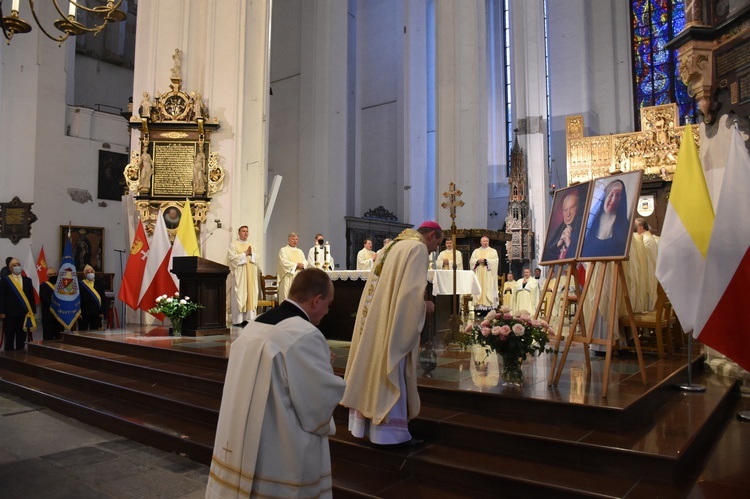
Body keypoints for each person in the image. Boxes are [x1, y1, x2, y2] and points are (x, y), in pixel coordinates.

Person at [206, 268, 344, 498]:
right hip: (278, 446)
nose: (327, 311)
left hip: (241, 435)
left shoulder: (255, 325)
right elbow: (316, 403)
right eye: (328, 304)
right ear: (316, 300)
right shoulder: (306, 334)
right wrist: (327, 368)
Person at [342, 221, 443, 447]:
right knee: (392, 370)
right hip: (394, 323)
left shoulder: (392, 246)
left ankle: (368, 428)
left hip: (378, 320)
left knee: (374, 369)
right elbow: (408, 295)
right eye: (437, 242)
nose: (435, 249)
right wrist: (423, 306)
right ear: (431, 235)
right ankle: (391, 435)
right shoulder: (417, 249)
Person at [580, 179, 630, 258]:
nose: (613, 200)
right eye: (611, 194)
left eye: (618, 195)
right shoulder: (591, 220)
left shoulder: (623, 224)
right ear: (605, 195)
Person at [0, 258, 36, 351]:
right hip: (9, 314)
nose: (17, 267)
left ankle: (20, 357)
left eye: (18, 264)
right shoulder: (5, 281)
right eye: (14, 265)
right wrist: (2, 312)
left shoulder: (27, 280)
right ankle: (9, 358)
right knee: (9, 337)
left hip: (24, 314)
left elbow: (31, 297)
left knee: (21, 337)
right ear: (10, 268)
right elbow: (2, 297)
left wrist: (33, 311)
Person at [227, 226, 259, 327]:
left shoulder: (252, 245)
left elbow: (257, 258)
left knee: (250, 294)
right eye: (243, 231)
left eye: (247, 231)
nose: (245, 233)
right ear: (239, 233)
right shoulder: (233, 245)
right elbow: (231, 258)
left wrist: (252, 255)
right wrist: (245, 254)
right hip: (240, 275)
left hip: (250, 275)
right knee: (239, 294)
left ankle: (248, 319)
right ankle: (238, 319)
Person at [542, 190, 582, 262]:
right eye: (565, 210)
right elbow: (548, 255)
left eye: (572, 208)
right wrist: (558, 244)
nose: (568, 214)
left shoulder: (582, 230)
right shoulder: (560, 229)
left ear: (578, 208)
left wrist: (569, 243)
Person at [469, 236, 499, 316]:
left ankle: (488, 309)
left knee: (488, 288)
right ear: (481, 242)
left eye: (487, 241)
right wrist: (477, 261)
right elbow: (471, 261)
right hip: (478, 274)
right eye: (484, 241)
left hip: (488, 275)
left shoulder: (493, 251)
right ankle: (479, 309)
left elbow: (495, 262)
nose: (485, 243)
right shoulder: (476, 251)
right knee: (479, 289)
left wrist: (486, 261)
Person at [277, 232, 307, 303]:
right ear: (289, 239)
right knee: (286, 297)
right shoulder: (283, 250)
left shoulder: (300, 251)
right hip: (288, 277)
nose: (295, 241)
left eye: (296, 239)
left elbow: (305, 262)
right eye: (293, 239)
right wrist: (296, 265)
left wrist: (303, 265)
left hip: (298, 278)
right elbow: (283, 263)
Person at [78, 265, 106, 331]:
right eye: (88, 272)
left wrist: (102, 311)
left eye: (91, 272)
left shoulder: (99, 284)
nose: (90, 273)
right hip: (84, 312)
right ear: (85, 275)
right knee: (82, 332)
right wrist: (78, 312)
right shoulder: (80, 284)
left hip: (96, 312)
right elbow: (78, 299)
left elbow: (103, 298)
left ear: (94, 273)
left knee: (95, 332)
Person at [40, 267, 63, 340]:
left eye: (55, 274)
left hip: (59, 315)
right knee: (48, 336)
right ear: (47, 276)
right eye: (50, 274)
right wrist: (55, 304)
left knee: (59, 335)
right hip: (48, 315)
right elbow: (44, 298)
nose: (53, 275)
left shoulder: (61, 286)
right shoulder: (44, 286)